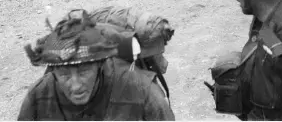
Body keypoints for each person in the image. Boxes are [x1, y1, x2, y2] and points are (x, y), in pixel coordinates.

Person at [18, 10, 175, 121]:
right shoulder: (38, 96)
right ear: (54, 71)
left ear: (100, 64)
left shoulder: (142, 90)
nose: (76, 85)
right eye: (64, 74)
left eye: (83, 72)